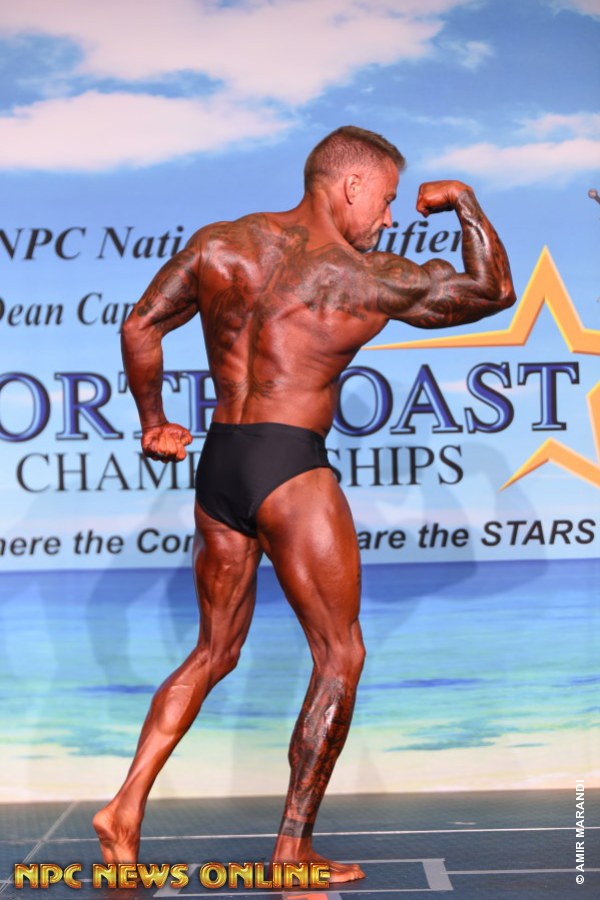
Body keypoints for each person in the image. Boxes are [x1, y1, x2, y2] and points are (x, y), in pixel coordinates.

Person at [93, 125, 515, 881]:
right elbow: (492, 292)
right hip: (289, 464)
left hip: (221, 464)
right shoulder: (363, 274)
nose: (389, 217)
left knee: (213, 652)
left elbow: (140, 324)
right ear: (351, 185)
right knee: (340, 654)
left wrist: (154, 422)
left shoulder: (221, 244)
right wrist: (463, 202)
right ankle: (292, 849)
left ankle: (124, 807)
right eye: (386, 199)